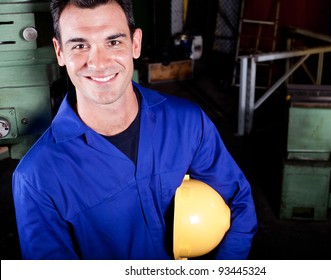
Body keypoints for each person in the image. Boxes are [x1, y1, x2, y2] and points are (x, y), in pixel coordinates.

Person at [12, 0, 258, 260]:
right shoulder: (36, 177)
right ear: (60, 52)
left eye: (113, 42)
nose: (98, 63)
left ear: (135, 43)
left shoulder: (187, 122)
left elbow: (238, 202)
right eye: (80, 45)